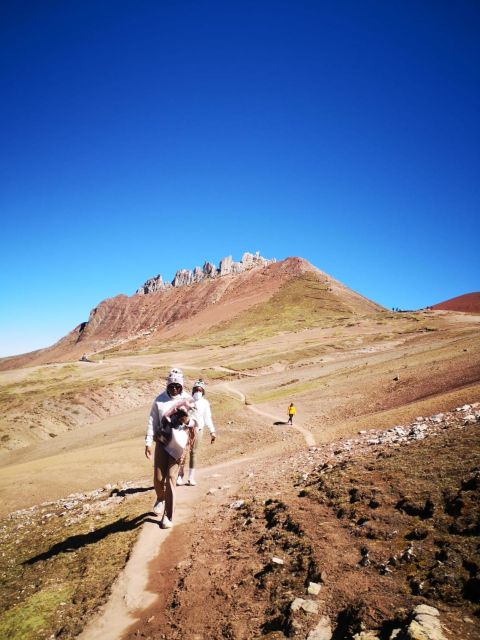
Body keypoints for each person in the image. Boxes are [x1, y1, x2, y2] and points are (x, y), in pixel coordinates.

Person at [144, 368, 193, 528]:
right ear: (168, 385)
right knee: (158, 478)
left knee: (171, 478)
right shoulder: (159, 400)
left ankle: (168, 516)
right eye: (171, 385)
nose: (174, 389)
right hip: (162, 442)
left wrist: (187, 421)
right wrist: (148, 442)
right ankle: (160, 498)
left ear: (181, 386)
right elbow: (153, 421)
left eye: (177, 386)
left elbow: (196, 422)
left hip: (178, 444)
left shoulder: (188, 400)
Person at [177, 379, 216, 486]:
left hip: (199, 429)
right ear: (193, 390)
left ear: (203, 392)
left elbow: (207, 418)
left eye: (200, 390)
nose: (198, 392)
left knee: (193, 453)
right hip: (185, 429)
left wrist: (212, 431)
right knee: (182, 452)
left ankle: (191, 477)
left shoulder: (205, 403)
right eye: (196, 390)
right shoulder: (187, 400)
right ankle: (180, 475)